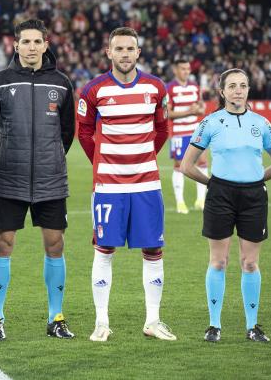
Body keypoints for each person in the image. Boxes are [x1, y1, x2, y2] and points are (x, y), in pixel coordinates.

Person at [78, 27, 176, 342]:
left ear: (138, 52)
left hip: (147, 185)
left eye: (130, 49)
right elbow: (83, 133)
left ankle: (153, 320)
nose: (124, 54)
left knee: (153, 249)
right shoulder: (93, 90)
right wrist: (105, 162)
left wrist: (142, 158)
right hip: (109, 187)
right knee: (104, 250)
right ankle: (101, 322)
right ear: (108, 52)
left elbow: (161, 130)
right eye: (118, 48)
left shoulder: (156, 87)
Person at [180, 68, 271, 343]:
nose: (238, 90)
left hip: (253, 197)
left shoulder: (262, 124)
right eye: (232, 86)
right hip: (220, 196)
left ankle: (253, 327)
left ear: (249, 90)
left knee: (250, 263)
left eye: (243, 86)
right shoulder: (211, 123)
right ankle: (214, 325)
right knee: (219, 261)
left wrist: (254, 179)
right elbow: (187, 165)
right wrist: (212, 184)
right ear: (222, 91)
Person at [0, 18, 75, 341]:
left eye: (38, 42)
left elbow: (67, 134)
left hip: (51, 179)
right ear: (16, 45)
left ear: (46, 45)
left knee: (55, 245)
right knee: (4, 244)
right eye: (26, 42)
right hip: (9, 177)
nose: (32, 47)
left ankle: (56, 317)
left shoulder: (62, 82)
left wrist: (48, 155)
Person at [166, 57, 207, 214]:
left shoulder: (195, 87)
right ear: (176, 70)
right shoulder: (170, 88)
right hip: (178, 133)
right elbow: (168, 113)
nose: (186, 71)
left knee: (203, 162)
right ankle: (180, 202)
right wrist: (189, 111)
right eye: (183, 69)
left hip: (196, 131)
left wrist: (198, 109)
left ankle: (201, 200)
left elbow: (202, 108)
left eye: (188, 69)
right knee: (179, 166)